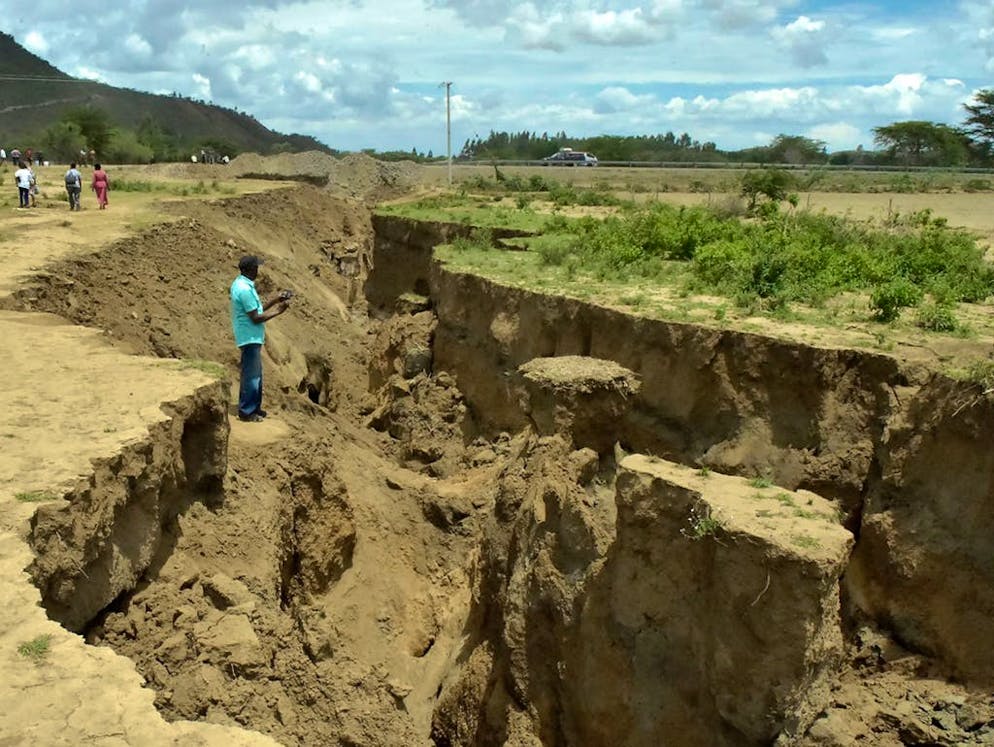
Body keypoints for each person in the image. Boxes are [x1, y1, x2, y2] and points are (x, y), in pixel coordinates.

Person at [229, 255, 291, 422]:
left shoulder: (244, 285)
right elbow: (255, 317)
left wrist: (275, 300)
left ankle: (255, 408)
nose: (258, 270)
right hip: (249, 337)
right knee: (251, 376)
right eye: (256, 267)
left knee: (255, 374)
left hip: (251, 336)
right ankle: (247, 412)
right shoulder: (244, 289)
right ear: (249, 269)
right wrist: (278, 311)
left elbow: (257, 309)